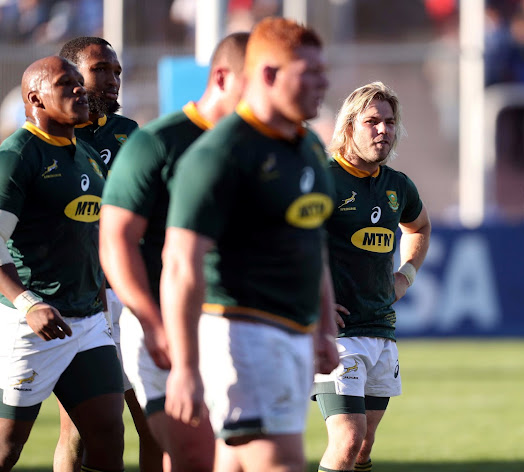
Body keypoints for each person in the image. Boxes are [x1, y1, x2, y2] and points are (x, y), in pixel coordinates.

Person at [160, 17, 339, 472]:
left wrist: (323, 327)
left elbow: (312, 240)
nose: (323, 83)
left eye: (323, 71)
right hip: (244, 334)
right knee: (279, 463)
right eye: (309, 73)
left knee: (236, 462)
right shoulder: (220, 154)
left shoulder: (307, 147)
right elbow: (181, 263)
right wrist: (184, 365)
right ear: (268, 75)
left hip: (292, 333)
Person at [99, 31, 250, 471]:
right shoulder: (157, 144)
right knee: (192, 455)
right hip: (165, 322)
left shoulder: (262, 145)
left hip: (238, 326)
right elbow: (116, 241)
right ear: (223, 77)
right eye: (257, 81)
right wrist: (151, 321)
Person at [0, 56, 124, 472]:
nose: (79, 90)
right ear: (36, 98)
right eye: (64, 83)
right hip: (32, 324)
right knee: (7, 447)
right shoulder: (17, 156)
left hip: (87, 321)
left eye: (78, 81)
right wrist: (28, 303)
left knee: (107, 433)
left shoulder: (86, 154)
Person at [311, 81, 431, 472]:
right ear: (348, 127)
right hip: (337, 333)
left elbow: (420, 228)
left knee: (363, 446)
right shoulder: (322, 179)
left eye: (390, 122)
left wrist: (406, 275)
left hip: (381, 329)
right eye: (372, 122)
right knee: (347, 440)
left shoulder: (397, 185)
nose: (384, 130)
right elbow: (283, 240)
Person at [57, 36, 156, 472]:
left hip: (128, 293)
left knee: (154, 421)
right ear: (72, 76)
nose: (114, 80)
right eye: (101, 70)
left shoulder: (128, 133)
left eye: (117, 71)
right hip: (77, 297)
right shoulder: (50, 138)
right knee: (81, 430)